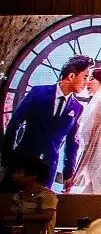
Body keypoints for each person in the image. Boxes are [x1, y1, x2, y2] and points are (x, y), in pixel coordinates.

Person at [1, 55, 93, 188]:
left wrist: (68, 174)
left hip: (48, 170)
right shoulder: (38, 92)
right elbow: (14, 124)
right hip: (22, 164)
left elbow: (72, 143)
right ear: (71, 76)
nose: (86, 83)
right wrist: (7, 158)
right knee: (9, 198)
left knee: (42, 201)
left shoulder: (77, 108)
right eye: (85, 77)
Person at [3, 158, 58, 234]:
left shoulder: (46, 195)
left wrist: (17, 217)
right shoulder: (18, 196)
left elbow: (47, 216)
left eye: (19, 172)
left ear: (33, 175)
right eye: (14, 172)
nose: (14, 176)